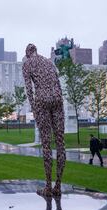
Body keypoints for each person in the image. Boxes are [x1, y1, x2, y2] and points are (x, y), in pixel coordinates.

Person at [23, 43, 66, 197]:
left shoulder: (27, 63)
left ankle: (48, 187)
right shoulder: (49, 62)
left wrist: (34, 108)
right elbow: (58, 84)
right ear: (36, 51)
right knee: (61, 144)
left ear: (28, 53)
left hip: (42, 100)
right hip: (57, 99)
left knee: (46, 143)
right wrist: (58, 99)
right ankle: (58, 185)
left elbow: (29, 89)